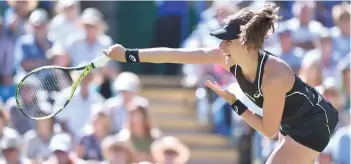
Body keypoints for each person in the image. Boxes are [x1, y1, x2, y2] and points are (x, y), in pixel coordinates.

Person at [102, 3, 340, 164]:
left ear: (246, 44)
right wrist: (128, 54)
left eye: (227, 40)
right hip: (291, 120)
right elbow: (176, 54)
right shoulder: (227, 56)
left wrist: (234, 102)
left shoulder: (274, 77)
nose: (221, 45)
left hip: (314, 123)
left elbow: (269, 131)